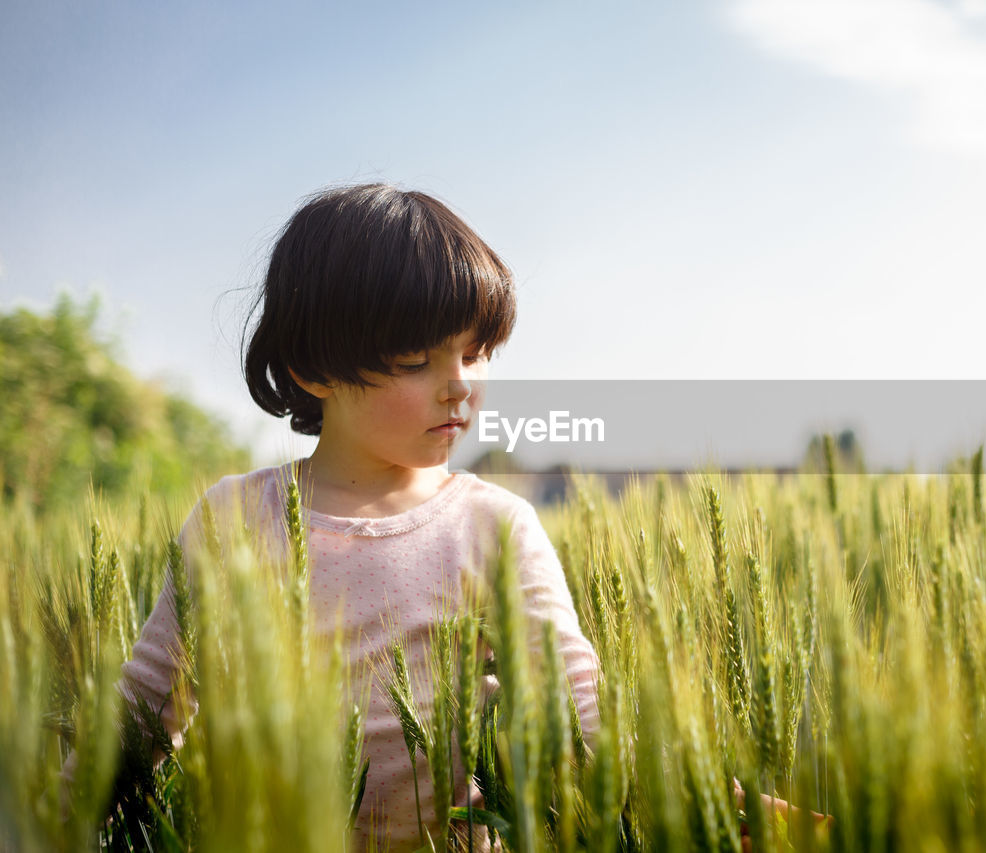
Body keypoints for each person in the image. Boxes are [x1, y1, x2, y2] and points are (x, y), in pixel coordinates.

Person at [59, 183, 825, 851]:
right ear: (312, 368)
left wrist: (715, 800)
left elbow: (578, 708)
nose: (460, 385)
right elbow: (144, 709)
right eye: (417, 360)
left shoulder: (495, 526)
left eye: (476, 351)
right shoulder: (233, 517)